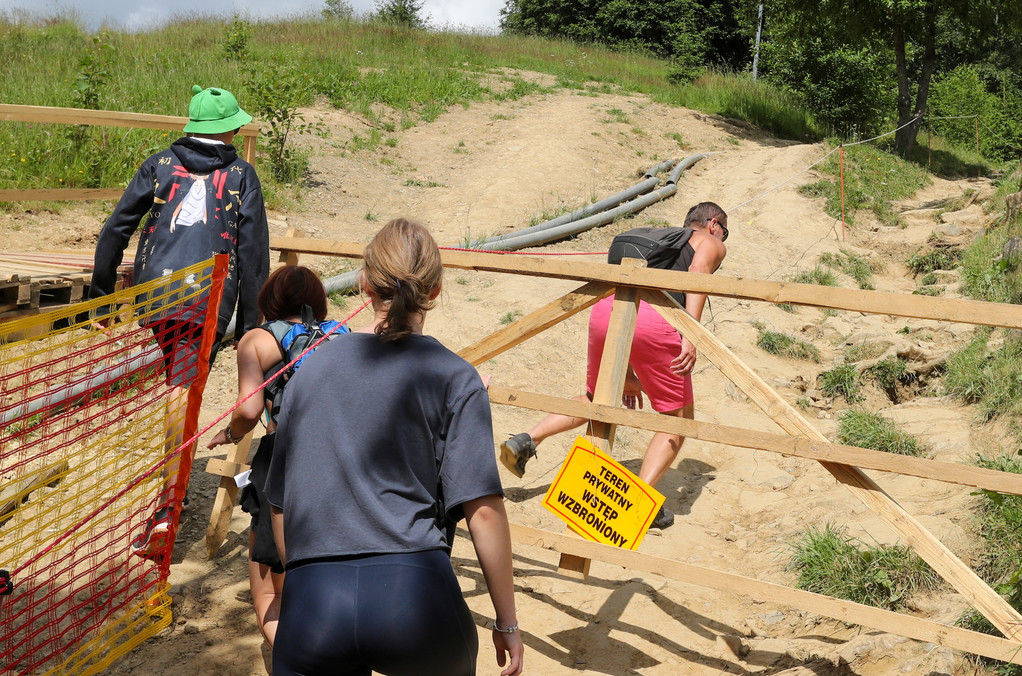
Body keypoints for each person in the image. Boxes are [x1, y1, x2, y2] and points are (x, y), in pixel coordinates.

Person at [265, 218, 523, 676]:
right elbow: (482, 509)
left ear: (364, 283)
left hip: (315, 600)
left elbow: (281, 504)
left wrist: (306, 585)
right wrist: (506, 620)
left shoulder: (310, 370)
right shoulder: (455, 377)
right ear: (436, 289)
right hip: (415, 596)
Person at [89, 84, 269, 555]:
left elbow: (115, 229)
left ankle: (171, 494)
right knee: (182, 395)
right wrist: (253, 326)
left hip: (155, 298)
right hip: (203, 305)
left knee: (176, 386)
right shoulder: (242, 174)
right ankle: (168, 508)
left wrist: (102, 297)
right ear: (230, 129)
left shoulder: (159, 164)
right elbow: (252, 258)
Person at [499, 202, 729, 530]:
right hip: (657, 318)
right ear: (713, 223)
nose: (723, 239)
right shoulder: (708, 241)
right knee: (678, 419)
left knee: (597, 398)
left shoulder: (664, 241)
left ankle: (527, 439)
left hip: (607, 308)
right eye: (725, 231)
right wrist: (691, 334)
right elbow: (698, 275)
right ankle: (641, 500)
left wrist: (631, 375)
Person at [206, 265, 334, 647]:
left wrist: (229, 434)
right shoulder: (343, 334)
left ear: (270, 299)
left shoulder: (257, 339)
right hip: (339, 457)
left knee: (270, 590)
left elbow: (249, 410)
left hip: (286, 457)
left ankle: (296, 660)